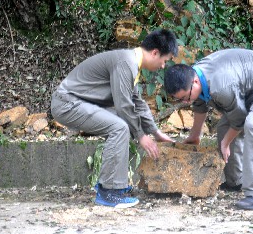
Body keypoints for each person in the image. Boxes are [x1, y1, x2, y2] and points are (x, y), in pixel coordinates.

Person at [51, 29, 178, 208]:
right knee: (119, 127)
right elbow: (123, 105)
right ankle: (108, 192)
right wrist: (142, 136)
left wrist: (155, 132)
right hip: (66, 102)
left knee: (122, 124)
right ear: (155, 52)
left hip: (76, 102)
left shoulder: (131, 63)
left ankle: (111, 187)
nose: (163, 66)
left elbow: (137, 103)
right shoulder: (126, 63)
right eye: (164, 61)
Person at [164, 48, 253, 210]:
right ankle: (236, 182)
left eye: (185, 97)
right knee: (224, 127)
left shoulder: (221, 86)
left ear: (195, 82)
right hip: (250, 90)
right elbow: (199, 103)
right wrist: (195, 134)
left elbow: (239, 120)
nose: (185, 102)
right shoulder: (195, 76)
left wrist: (226, 143)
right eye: (180, 99)